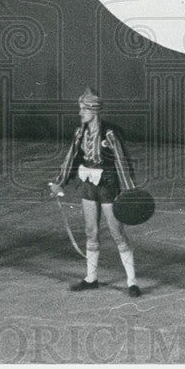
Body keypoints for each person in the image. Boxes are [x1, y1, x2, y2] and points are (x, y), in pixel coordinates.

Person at [48, 87, 141, 297]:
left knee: (117, 232)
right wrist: (59, 182)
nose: (80, 113)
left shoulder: (110, 133)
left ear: (94, 111)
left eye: (83, 109)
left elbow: (122, 161)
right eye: (80, 109)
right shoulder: (80, 132)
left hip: (108, 184)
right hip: (88, 184)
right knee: (91, 231)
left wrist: (129, 191)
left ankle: (132, 281)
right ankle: (91, 278)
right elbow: (71, 157)